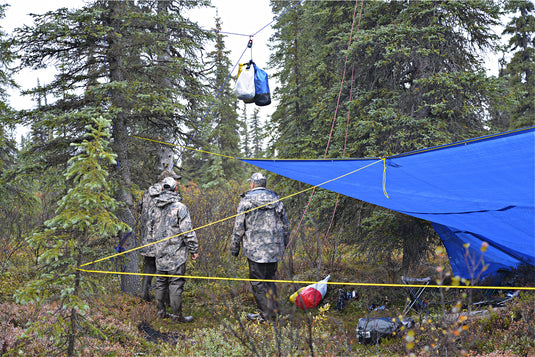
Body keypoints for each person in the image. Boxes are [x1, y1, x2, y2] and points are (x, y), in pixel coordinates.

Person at [231, 172, 291, 321]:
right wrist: (284, 244)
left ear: (252, 184)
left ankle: (266, 315)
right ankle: (273, 312)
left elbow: (238, 227)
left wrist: (234, 247)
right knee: (270, 279)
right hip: (273, 249)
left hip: (255, 250)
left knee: (258, 282)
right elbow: (286, 226)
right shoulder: (277, 200)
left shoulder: (246, 201)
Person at [153, 176, 199, 323]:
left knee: (160, 282)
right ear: (175, 189)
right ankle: (177, 316)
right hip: (176, 253)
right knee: (175, 283)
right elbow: (187, 231)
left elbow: (149, 229)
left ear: (162, 189)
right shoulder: (180, 207)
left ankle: (161, 313)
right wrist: (194, 249)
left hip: (159, 251)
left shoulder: (155, 207)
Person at [138, 170, 181, 302]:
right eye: (175, 179)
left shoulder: (147, 193)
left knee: (149, 265)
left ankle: (144, 295)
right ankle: (165, 300)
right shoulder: (165, 194)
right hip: (160, 236)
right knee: (165, 268)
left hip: (146, 236)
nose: (177, 181)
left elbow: (140, 209)